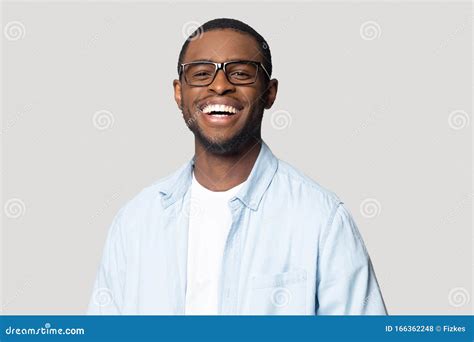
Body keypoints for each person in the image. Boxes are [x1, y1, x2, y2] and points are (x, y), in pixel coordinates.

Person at [87, 18, 387, 315]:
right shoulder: (135, 223)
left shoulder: (322, 219)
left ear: (269, 93)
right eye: (202, 73)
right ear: (179, 93)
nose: (220, 85)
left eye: (241, 73)